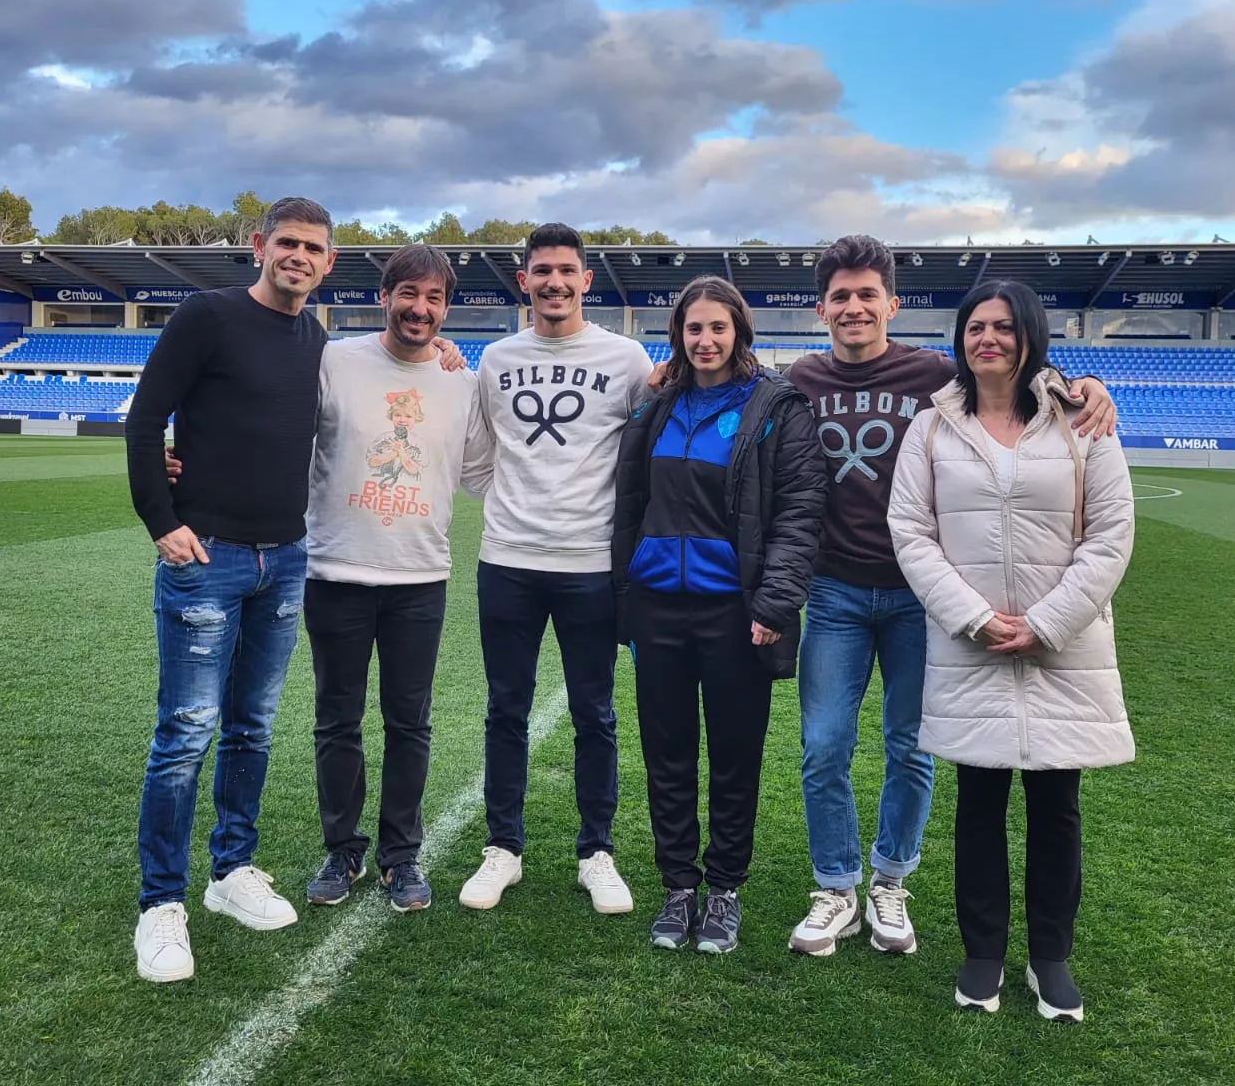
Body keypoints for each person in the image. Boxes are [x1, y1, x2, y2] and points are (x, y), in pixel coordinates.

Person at [784, 236, 1116, 959]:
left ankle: (890, 881)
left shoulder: (936, 373)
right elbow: (724, 367)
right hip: (834, 590)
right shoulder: (800, 377)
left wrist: (1086, 380)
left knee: (912, 747)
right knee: (822, 747)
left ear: (891, 303)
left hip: (924, 598)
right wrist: (660, 378)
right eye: (839, 296)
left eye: (867, 294)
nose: (853, 307)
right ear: (822, 309)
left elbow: (1014, 369)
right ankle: (836, 886)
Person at [888, 278, 1136, 1022]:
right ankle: (983, 953)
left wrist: (1049, 621)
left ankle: (1051, 958)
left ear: (1030, 335)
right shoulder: (932, 427)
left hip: (1064, 649)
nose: (986, 338)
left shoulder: (1082, 422)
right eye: (974, 327)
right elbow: (911, 531)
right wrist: (973, 617)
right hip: (973, 648)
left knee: (1057, 806)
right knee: (978, 801)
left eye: (1001, 326)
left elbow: (1112, 533)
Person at [124, 196, 335, 983]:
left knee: (253, 727)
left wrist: (447, 355)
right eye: (287, 242)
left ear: (328, 262)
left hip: (283, 560)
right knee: (185, 731)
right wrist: (160, 518)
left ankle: (230, 872)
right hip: (204, 556)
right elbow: (146, 422)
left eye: (313, 247)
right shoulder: (205, 317)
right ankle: (160, 905)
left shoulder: (315, 339)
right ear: (259, 246)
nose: (299, 256)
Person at [612, 277, 824, 954]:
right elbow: (631, 500)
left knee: (734, 757)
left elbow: (799, 512)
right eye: (693, 329)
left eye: (717, 328)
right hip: (657, 609)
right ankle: (679, 888)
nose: (705, 341)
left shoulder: (775, 407)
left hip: (736, 616)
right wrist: (625, 594)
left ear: (740, 333)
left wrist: (775, 601)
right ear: (679, 335)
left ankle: (725, 890)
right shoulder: (658, 404)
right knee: (666, 754)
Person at [458, 223, 654, 915]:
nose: (555, 282)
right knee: (505, 708)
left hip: (591, 566)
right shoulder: (496, 359)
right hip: (507, 560)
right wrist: (521, 503)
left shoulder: (626, 357)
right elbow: (478, 457)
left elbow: (648, 446)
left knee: (594, 713)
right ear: (525, 280)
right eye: (542, 271)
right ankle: (502, 849)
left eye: (567, 270)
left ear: (586, 279)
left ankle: (596, 852)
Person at [299, 243, 493, 913]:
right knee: (338, 720)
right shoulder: (335, 361)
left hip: (418, 578)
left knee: (409, 723)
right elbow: (282, 436)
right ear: (385, 297)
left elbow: (479, 474)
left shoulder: (460, 383)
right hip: (335, 571)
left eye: (434, 297)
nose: (420, 308)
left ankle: (400, 857)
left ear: (446, 306)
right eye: (408, 293)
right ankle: (342, 849)